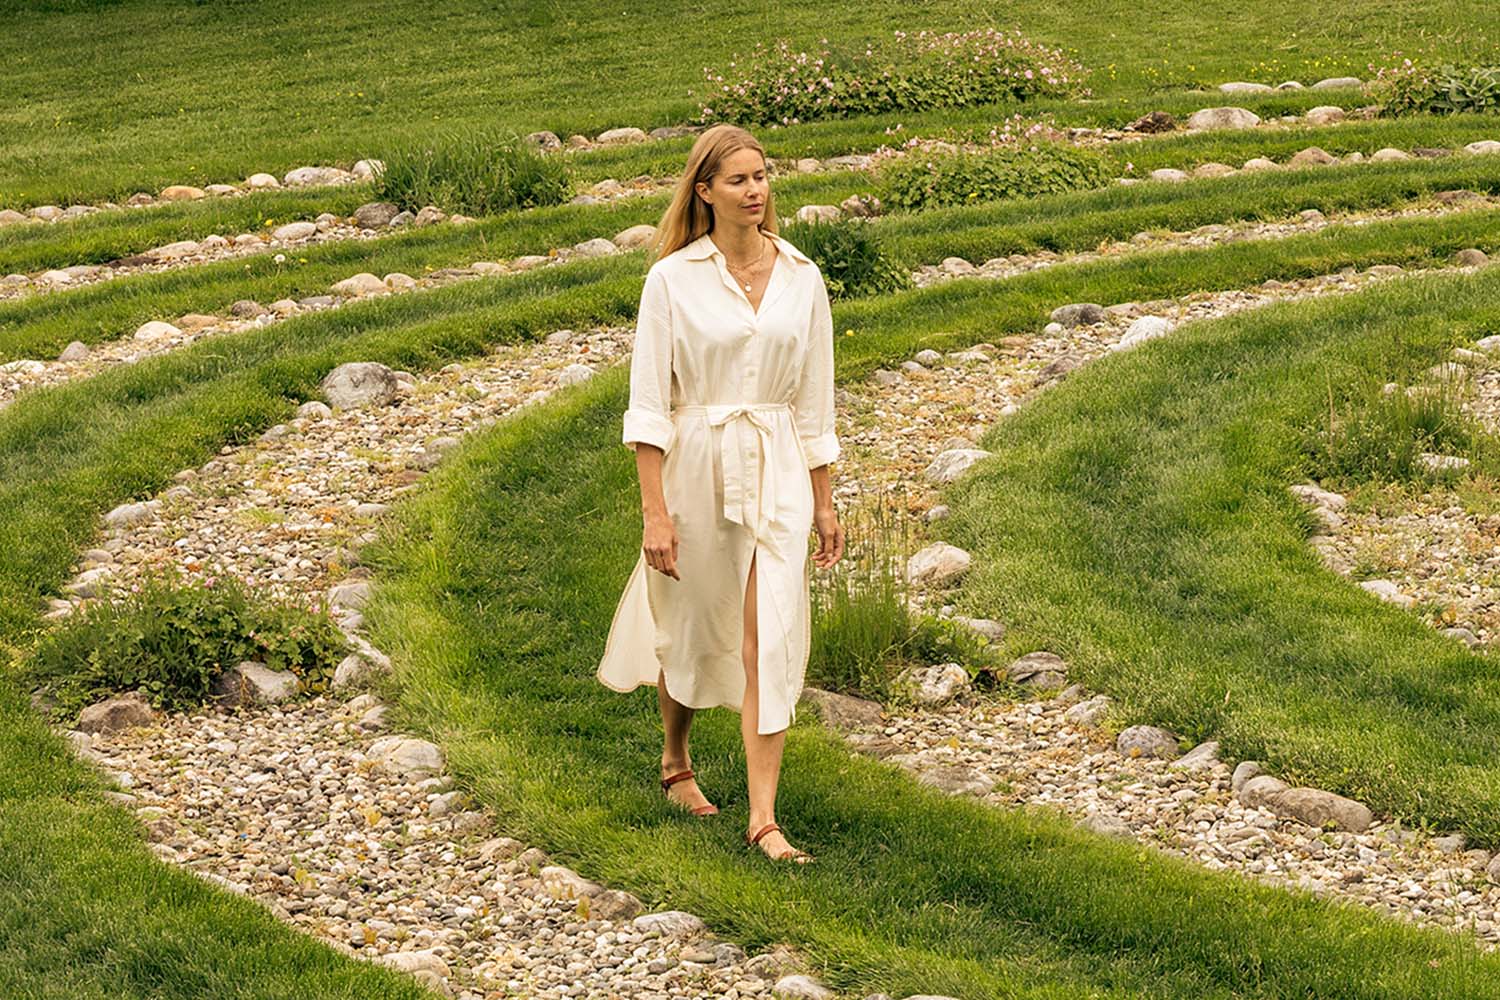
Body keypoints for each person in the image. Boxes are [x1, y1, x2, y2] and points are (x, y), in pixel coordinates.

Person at [596, 123, 845, 863]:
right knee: (692, 619)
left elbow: (815, 403)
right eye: (738, 180)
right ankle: (676, 758)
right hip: (697, 463)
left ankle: (763, 817)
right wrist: (655, 513)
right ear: (704, 192)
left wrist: (824, 501)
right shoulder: (671, 280)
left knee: (769, 630)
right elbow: (647, 405)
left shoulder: (803, 276)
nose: (756, 190)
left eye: (762, 176)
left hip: (777, 468)